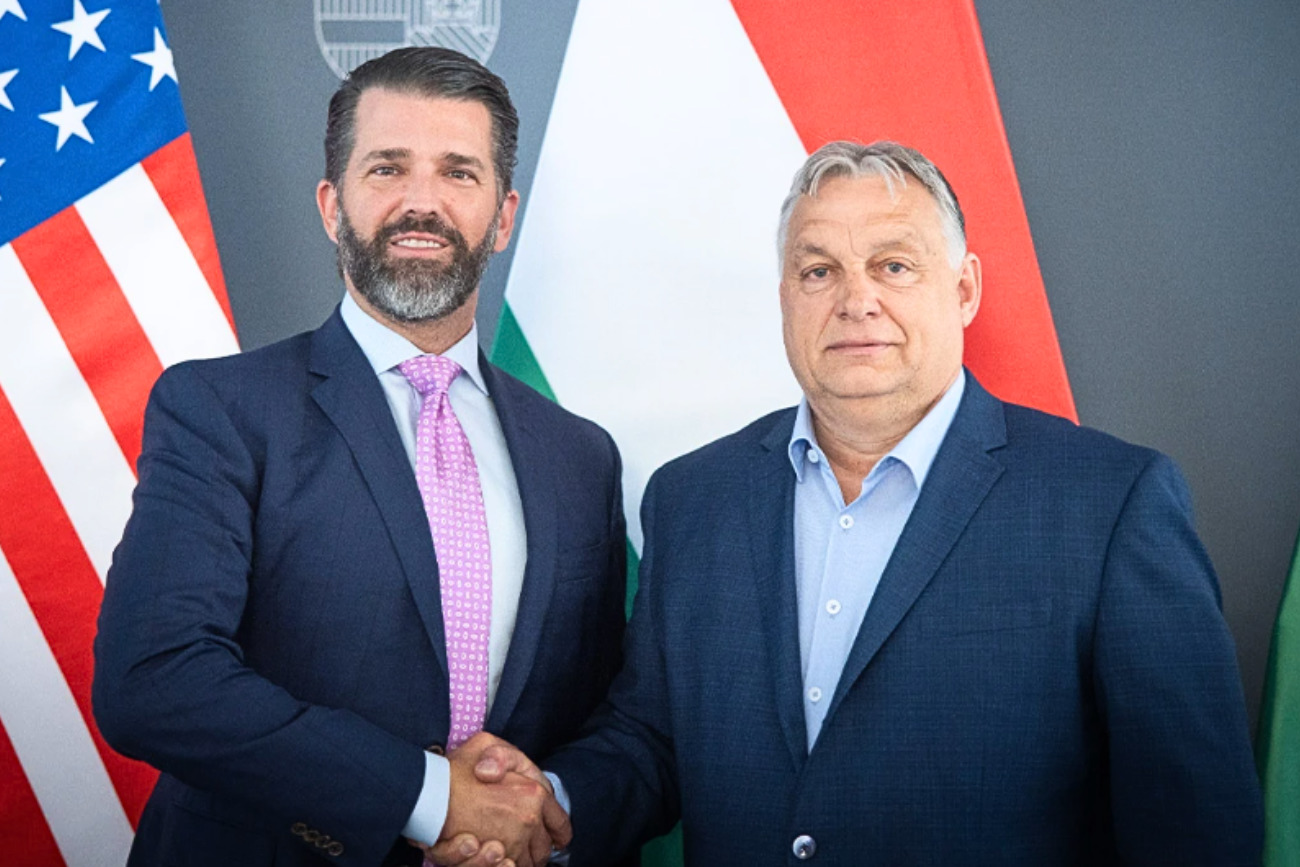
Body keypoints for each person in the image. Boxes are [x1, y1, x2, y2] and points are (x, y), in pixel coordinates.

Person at [439, 141, 1264, 866]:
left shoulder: (1109, 504)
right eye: (819, 269)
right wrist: (546, 807)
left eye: (894, 265)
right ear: (785, 297)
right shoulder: (694, 499)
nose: (855, 298)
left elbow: (1194, 825)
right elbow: (651, 741)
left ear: (965, 288)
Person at [93, 47, 620, 867]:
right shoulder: (220, 410)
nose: (422, 202)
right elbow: (153, 678)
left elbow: (603, 713)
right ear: (332, 206)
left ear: (504, 217)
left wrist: (533, 814)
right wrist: (430, 799)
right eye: (387, 168)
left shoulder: (581, 458)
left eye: (458, 172)